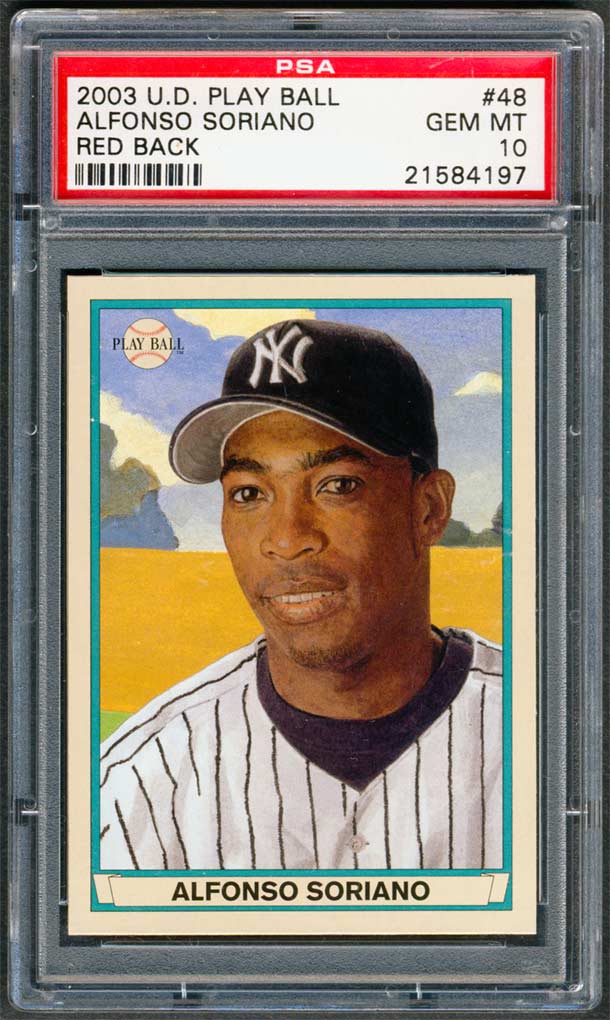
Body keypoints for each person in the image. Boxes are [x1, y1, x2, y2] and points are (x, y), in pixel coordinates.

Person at [100, 319, 502, 872]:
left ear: (428, 509)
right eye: (249, 493)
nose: (287, 540)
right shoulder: (138, 780)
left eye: (338, 485)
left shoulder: (551, 740)